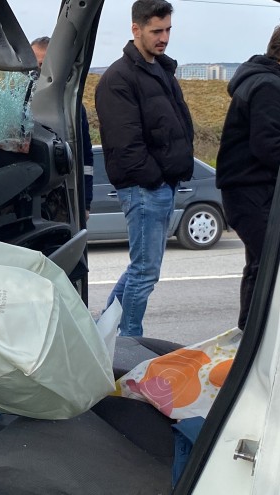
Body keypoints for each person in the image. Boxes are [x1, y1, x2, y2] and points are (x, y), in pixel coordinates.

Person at [94, 0, 194, 336]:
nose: (164, 37)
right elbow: (126, 145)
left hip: (162, 185)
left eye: (168, 30)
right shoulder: (118, 78)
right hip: (144, 188)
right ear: (136, 29)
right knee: (145, 272)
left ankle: (103, 333)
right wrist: (155, 180)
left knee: (141, 269)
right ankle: (128, 340)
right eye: (156, 31)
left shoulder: (161, 70)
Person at [216, 18, 280, 330]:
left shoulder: (264, 81)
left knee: (260, 265)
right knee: (272, 265)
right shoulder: (270, 86)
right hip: (252, 191)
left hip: (246, 190)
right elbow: (269, 146)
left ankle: (248, 334)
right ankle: (255, 335)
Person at [30, 36, 95, 219]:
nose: (37, 72)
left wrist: (85, 202)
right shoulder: (18, 102)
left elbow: (85, 157)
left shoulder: (73, 108)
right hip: (27, 197)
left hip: (64, 198)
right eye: (35, 65)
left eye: (43, 66)